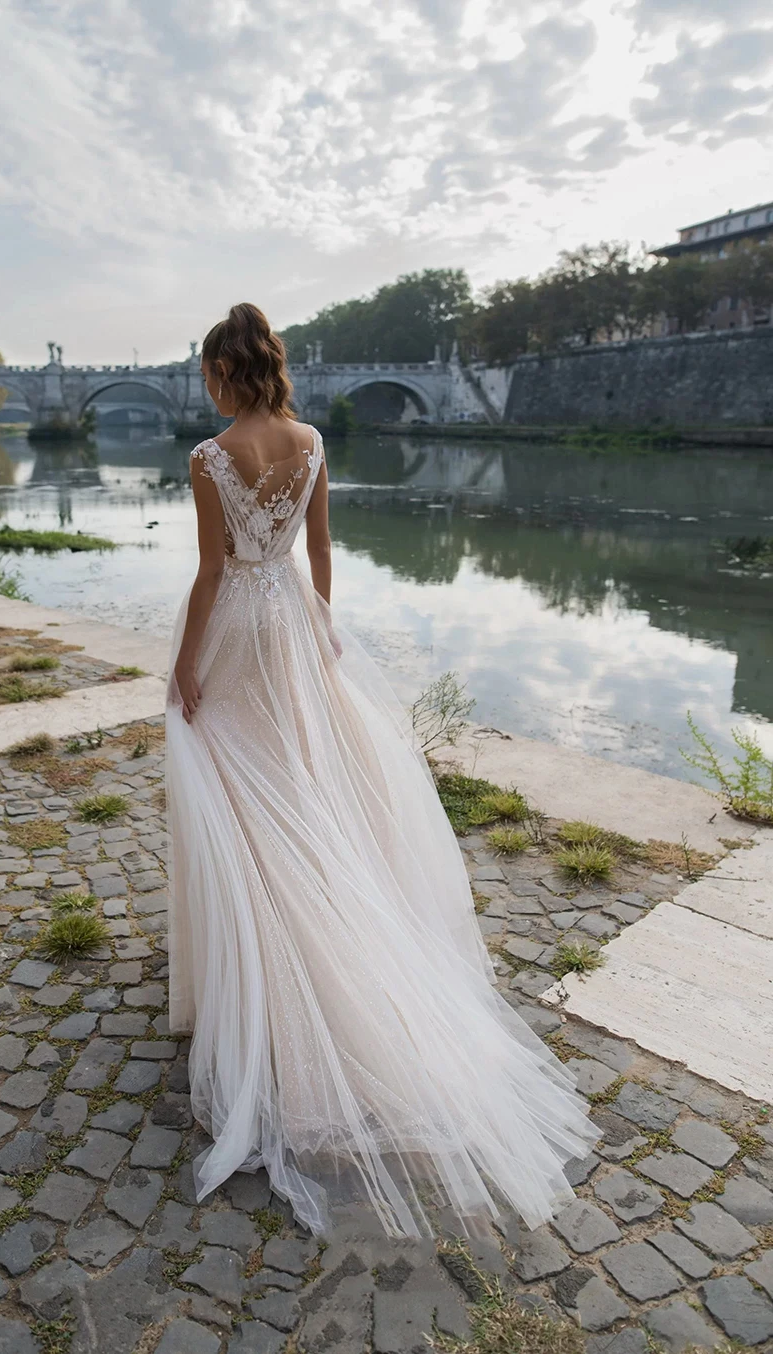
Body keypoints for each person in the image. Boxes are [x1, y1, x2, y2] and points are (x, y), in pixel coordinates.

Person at [165, 303, 597, 1240]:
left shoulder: (210, 459)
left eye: (207, 370)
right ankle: (298, 942)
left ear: (219, 372)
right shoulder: (313, 440)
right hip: (293, 626)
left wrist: (183, 668)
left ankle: (256, 972)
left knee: (240, 798)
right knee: (300, 790)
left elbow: (209, 572)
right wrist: (320, 633)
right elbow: (320, 554)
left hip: (236, 630)